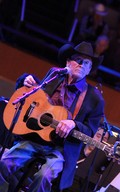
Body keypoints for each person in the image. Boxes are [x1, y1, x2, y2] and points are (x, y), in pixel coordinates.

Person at [0, 41, 105, 191]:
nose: (81, 65)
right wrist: (25, 80)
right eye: (78, 60)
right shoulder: (55, 75)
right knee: (5, 161)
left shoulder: (94, 97)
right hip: (34, 138)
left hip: (60, 149)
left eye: (86, 63)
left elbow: (91, 130)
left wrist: (74, 124)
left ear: (89, 70)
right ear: (68, 62)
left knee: (45, 176)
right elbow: (35, 94)